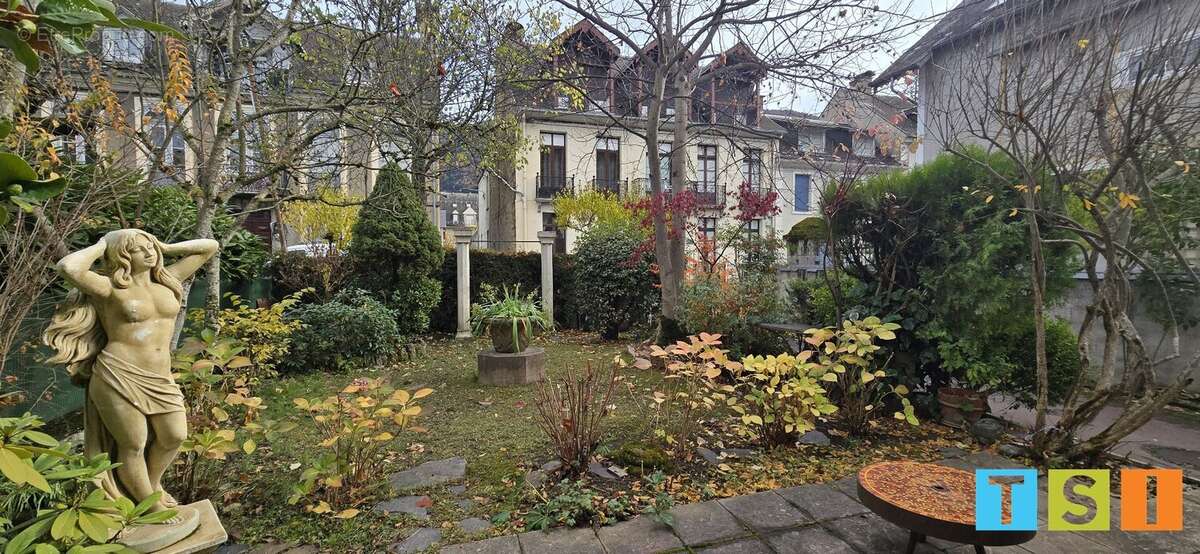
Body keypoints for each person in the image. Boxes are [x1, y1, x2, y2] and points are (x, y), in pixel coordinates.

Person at [43, 229, 218, 514]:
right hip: (118, 374)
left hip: (160, 377)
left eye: (150, 247)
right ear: (122, 256)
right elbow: (68, 267)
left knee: (174, 435)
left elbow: (209, 246)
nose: (149, 253)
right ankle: (149, 508)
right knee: (133, 443)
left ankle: (152, 485)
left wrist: (165, 244)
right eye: (139, 249)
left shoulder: (168, 279)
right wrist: (103, 245)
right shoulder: (108, 288)